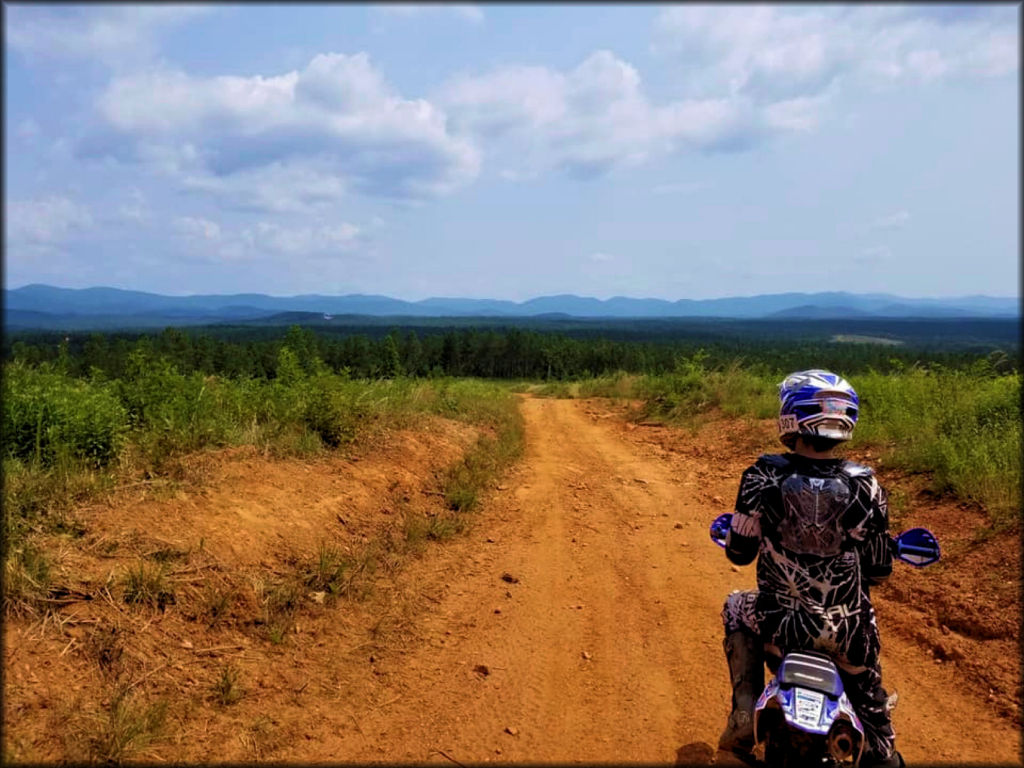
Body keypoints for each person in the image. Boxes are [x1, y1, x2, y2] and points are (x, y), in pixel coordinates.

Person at [717, 369, 902, 768]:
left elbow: (739, 553)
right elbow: (879, 570)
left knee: (735, 606)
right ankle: (879, 749)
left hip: (778, 624)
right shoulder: (867, 484)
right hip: (847, 634)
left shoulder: (762, 475)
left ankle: (744, 713)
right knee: (878, 728)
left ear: (791, 415)